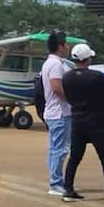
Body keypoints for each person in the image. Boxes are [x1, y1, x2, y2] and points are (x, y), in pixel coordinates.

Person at [60, 43, 104, 202]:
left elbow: (68, 97)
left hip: (78, 121)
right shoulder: (96, 76)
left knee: (75, 157)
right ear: (87, 59)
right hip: (97, 120)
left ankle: (68, 189)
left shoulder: (67, 77)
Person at [41, 31, 72, 195]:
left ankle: (57, 180)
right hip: (59, 112)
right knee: (60, 149)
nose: (67, 46)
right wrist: (71, 100)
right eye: (65, 43)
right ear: (60, 46)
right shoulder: (56, 64)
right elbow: (56, 86)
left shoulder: (54, 63)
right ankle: (56, 182)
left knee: (57, 148)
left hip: (58, 112)